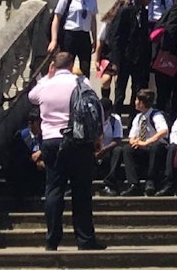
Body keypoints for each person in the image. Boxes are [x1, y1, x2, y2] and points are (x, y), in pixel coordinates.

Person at [26, 51, 108, 251]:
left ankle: (52, 240)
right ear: (72, 65)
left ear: (53, 66)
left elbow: (31, 96)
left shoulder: (44, 85)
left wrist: (48, 75)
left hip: (50, 141)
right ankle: (85, 239)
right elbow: (95, 110)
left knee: (54, 190)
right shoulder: (80, 83)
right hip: (77, 141)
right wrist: (97, 137)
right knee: (81, 191)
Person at [117, 89, 171, 195]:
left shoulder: (156, 115)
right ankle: (133, 183)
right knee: (127, 149)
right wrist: (135, 141)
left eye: (137, 100)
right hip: (143, 149)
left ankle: (151, 181)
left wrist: (147, 142)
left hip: (157, 149)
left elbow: (164, 131)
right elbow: (132, 135)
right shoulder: (138, 117)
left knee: (156, 147)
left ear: (141, 103)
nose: (135, 102)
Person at [50, 0, 99, 76]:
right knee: (67, 66)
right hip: (70, 34)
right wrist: (54, 40)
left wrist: (94, 38)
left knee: (85, 68)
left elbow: (93, 20)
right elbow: (57, 18)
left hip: (84, 35)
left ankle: (83, 90)